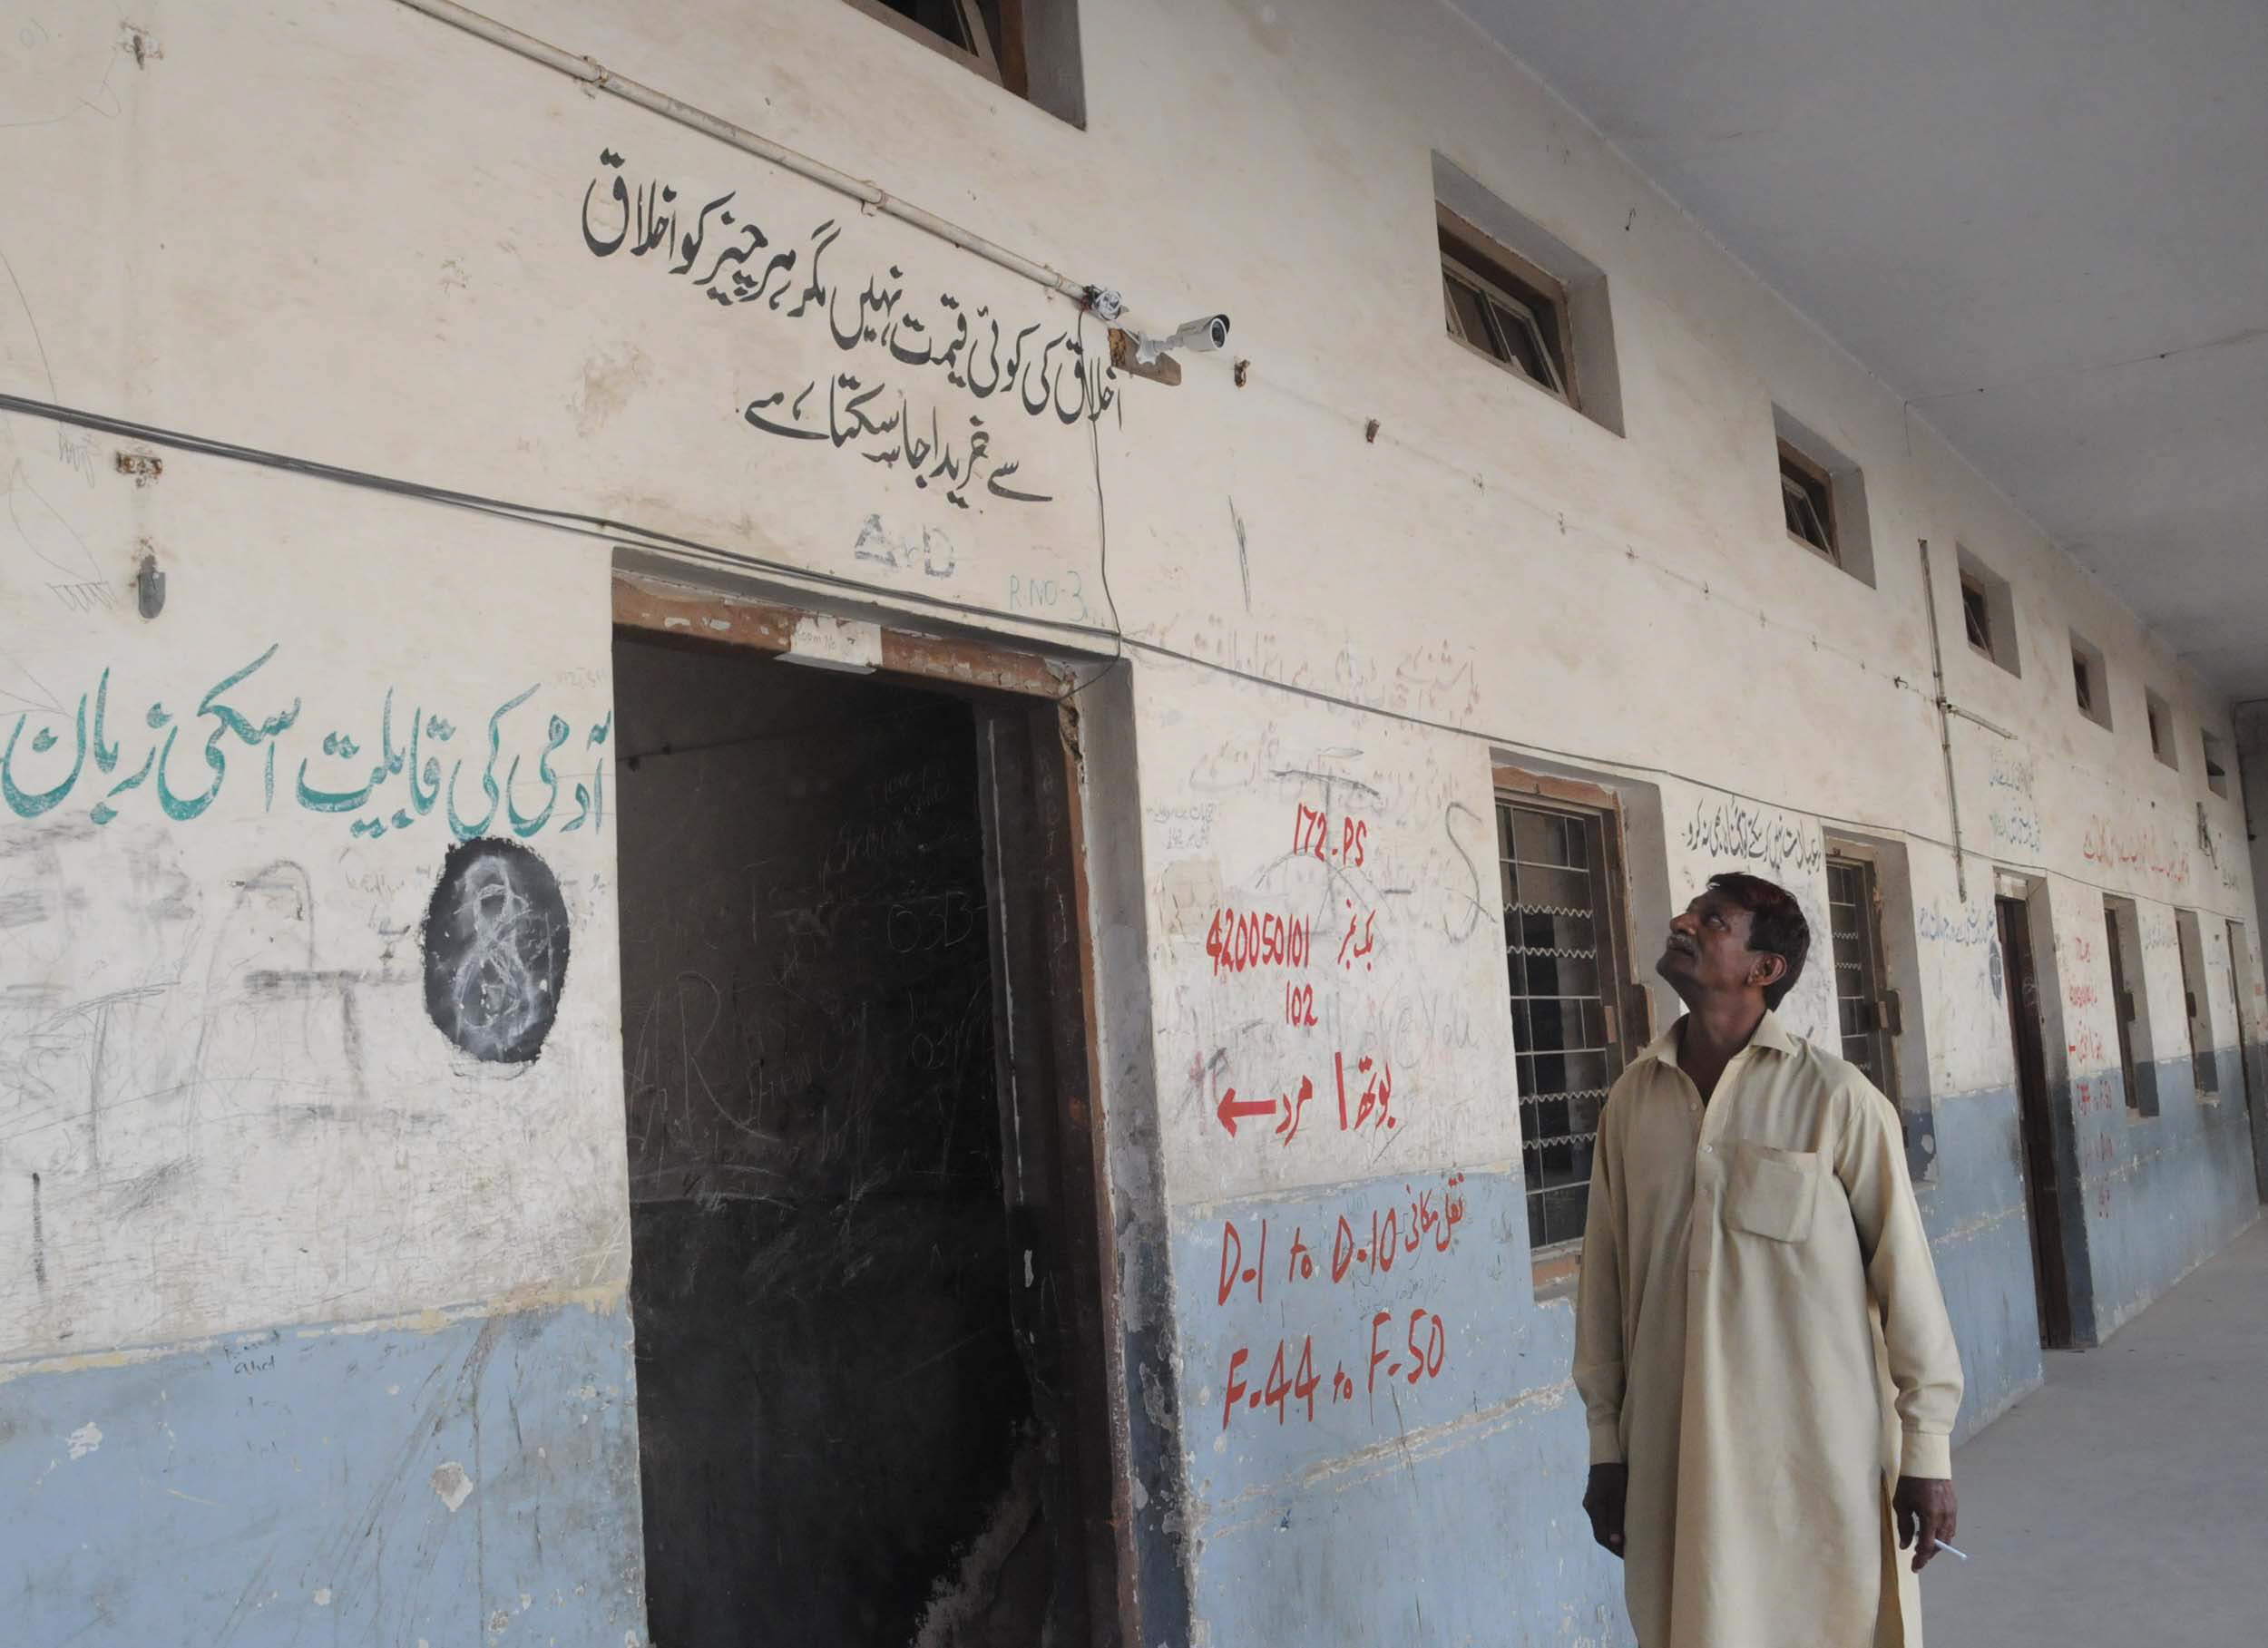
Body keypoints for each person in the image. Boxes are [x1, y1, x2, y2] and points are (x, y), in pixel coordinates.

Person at [1572, 872, 1963, 1648]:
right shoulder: (1632, 1102)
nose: (1683, 921)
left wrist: (1928, 1449)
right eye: (1691, 910)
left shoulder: (1838, 1100)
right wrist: (1606, 1447)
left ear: (1764, 970)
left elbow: (1907, 1282)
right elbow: (1605, 1290)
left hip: (1812, 1459)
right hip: (1674, 1458)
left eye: (1712, 920)